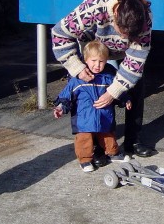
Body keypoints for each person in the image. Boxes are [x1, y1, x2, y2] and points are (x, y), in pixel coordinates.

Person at [51, 0, 156, 157]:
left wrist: (114, 92)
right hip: (94, 46)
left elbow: (136, 60)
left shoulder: (145, 17)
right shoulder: (95, 7)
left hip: (125, 53)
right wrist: (77, 68)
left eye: (128, 36)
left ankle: (133, 140)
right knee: (90, 93)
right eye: (122, 33)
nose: (124, 38)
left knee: (135, 89)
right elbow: (59, 34)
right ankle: (97, 146)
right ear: (114, 17)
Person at [53, 41, 130, 172]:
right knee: (84, 140)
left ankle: (113, 153)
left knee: (108, 136)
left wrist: (125, 99)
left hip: (104, 115)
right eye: (93, 60)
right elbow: (66, 95)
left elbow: (118, 89)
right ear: (85, 60)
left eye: (101, 61)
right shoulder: (77, 78)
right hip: (84, 118)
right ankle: (85, 160)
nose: (97, 65)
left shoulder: (109, 76)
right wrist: (61, 107)